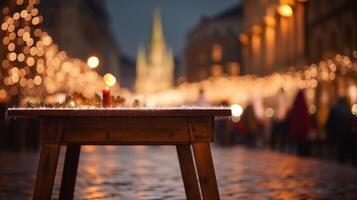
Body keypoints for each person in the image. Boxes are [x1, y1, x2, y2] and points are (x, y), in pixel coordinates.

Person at [326, 97, 354, 163]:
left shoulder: (335, 108)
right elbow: (351, 120)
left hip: (338, 130)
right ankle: (342, 158)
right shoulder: (347, 109)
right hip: (345, 130)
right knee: (342, 145)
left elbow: (330, 121)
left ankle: (340, 158)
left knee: (340, 145)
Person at [288, 90, 311, 156]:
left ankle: (300, 153)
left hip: (298, 128)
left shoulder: (296, 105)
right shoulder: (303, 105)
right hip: (303, 129)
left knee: (299, 142)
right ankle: (303, 153)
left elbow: (294, 117)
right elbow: (306, 118)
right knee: (302, 141)